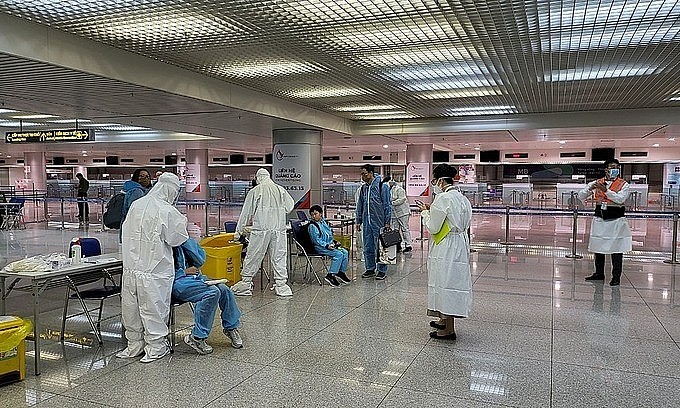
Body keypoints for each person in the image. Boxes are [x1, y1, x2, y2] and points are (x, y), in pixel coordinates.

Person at [116, 172, 189, 363]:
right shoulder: (167, 210)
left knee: (131, 309)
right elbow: (177, 238)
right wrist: (184, 221)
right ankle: (156, 347)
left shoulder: (136, 205)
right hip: (154, 270)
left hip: (131, 268)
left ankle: (134, 345)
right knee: (153, 309)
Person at [417, 164, 472, 340]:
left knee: (445, 283)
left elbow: (434, 227)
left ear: (440, 180)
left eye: (434, 180)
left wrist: (425, 213)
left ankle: (448, 330)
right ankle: (444, 319)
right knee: (451, 282)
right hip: (459, 244)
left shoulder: (442, 199)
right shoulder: (462, 198)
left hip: (446, 246)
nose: (434, 184)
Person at [231, 168, 295, 297]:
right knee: (279, 256)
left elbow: (246, 213)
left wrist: (238, 233)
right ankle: (282, 285)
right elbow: (290, 206)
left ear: (258, 177)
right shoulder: (280, 189)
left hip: (261, 230)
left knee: (254, 255)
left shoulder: (255, 191)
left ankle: (246, 283)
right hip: (278, 229)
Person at [172, 238, 243, 354]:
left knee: (225, 290)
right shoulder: (164, 245)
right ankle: (197, 337)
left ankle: (231, 328)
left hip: (194, 278)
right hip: (176, 283)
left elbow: (200, 260)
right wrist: (183, 272)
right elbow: (161, 273)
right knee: (212, 292)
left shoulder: (184, 241)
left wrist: (186, 242)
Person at [578, 158, 632, 286]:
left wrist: (606, 190)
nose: (615, 170)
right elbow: (581, 195)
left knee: (617, 249)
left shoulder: (623, 184)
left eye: (617, 167)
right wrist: (590, 188)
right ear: (606, 169)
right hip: (600, 220)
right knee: (598, 247)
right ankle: (599, 273)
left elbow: (620, 199)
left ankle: (616, 276)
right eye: (612, 167)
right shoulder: (597, 183)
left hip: (616, 221)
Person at [355, 164, 391, 280]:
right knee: (368, 246)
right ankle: (370, 268)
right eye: (361, 174)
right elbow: (360, 205)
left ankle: (381, 270)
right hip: (367, 222)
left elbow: (387, 205)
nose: (362, 177)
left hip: (379, 222)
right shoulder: (363, 188)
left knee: (381, 247)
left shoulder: (382, 187)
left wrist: (387, 222)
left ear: (371, 173)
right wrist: (358, 220)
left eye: (364, 174)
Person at [307, 204, 351, 287]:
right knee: (338, 254)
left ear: (321, 213)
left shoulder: (323, 222)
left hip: (328, 245)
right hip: (320, 247)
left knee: (345, 252)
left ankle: (341, 272)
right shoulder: (312, 226)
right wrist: (327, 245)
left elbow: (328, 235)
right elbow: (317, 240)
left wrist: (334, 242)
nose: (313, 216)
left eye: (315, 214)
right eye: (312, 214)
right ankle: (331, 275)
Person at [118, 168, 152, 242]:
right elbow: (136, 212)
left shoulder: (140, 190)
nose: (145, 178)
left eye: (147, 176)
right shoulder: (136, 191)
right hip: (134, 228)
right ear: (136, 177)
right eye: (142, 176)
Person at [383, 176, 413, 253]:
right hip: (394, 213)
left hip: (403, 213)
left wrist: (391, 203)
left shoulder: (399, 189)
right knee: (395, 230)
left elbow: (402, 199)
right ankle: (397, 245)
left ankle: (408, 245)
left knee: (404, 229)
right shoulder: (386, 190)